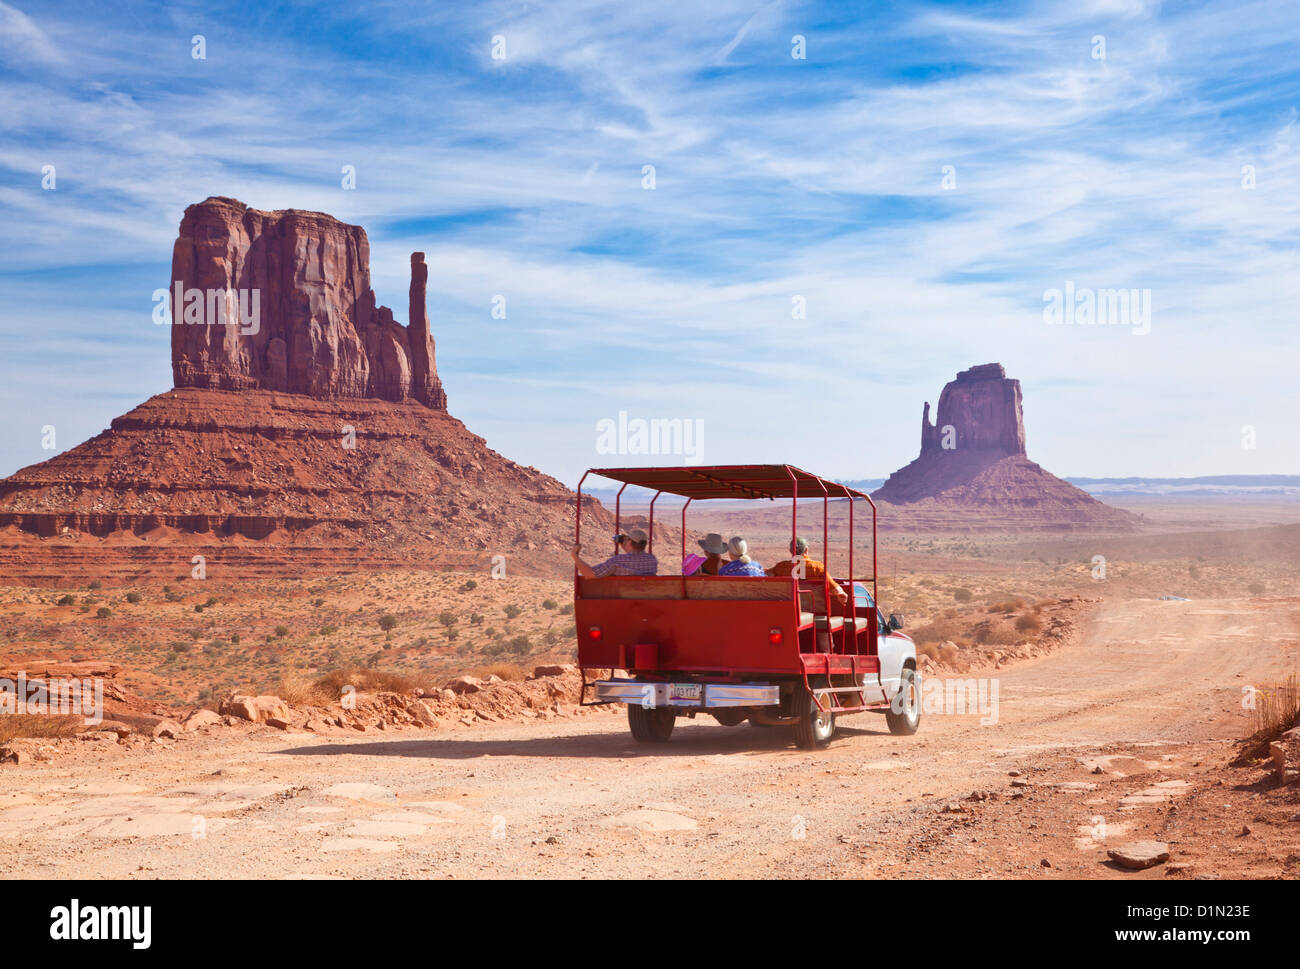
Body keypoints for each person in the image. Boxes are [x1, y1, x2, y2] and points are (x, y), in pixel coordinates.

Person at [767, 536, 849, 606]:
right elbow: (834, 587)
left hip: (790, 608)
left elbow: (766, 574)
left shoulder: (781, 567)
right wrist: (841, 593)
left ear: (790, 551)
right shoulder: (817, 567)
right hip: (815, 609)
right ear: (806, 550)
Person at [571, 528, 658, 577]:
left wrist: (575, 555)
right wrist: (626, 545)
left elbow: (590, 574)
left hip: (622, 604)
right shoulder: (652, 560)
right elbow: (635, 556)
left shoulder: (617, 561)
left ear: (630, 543)